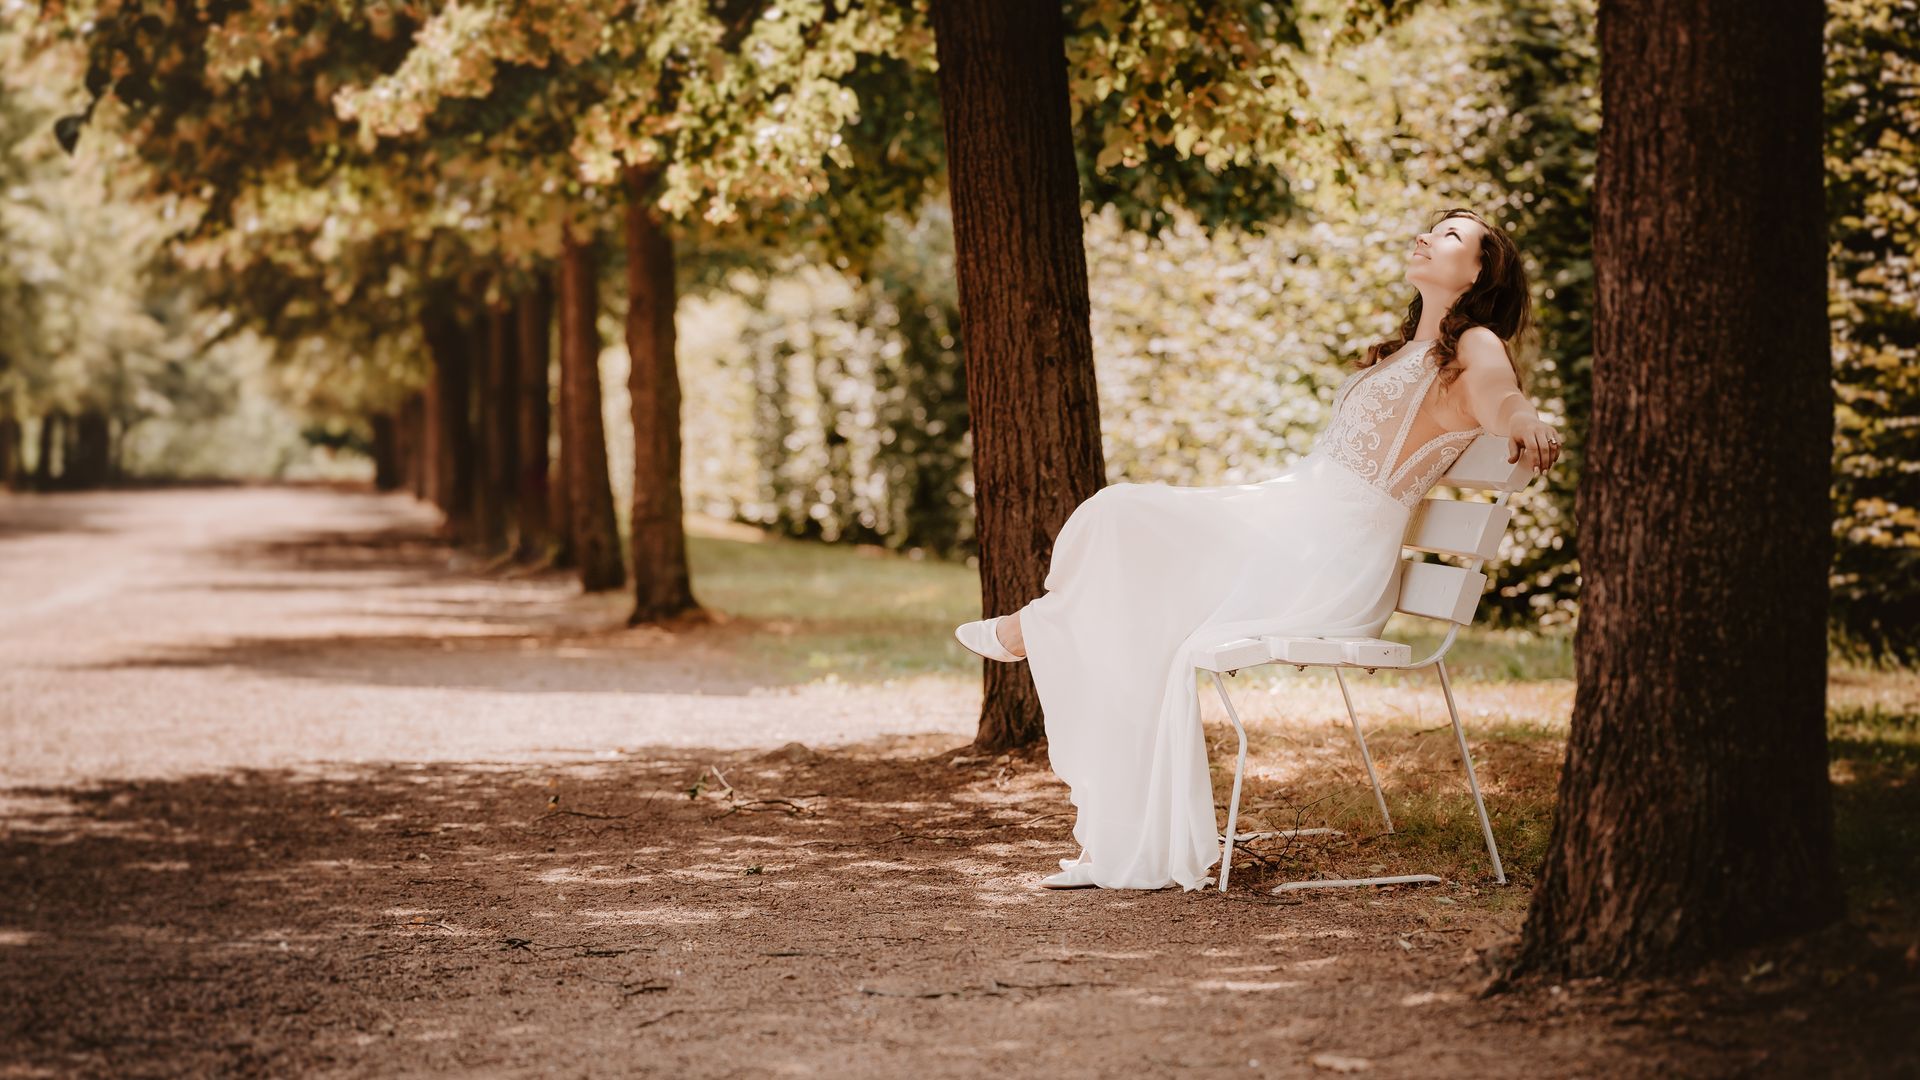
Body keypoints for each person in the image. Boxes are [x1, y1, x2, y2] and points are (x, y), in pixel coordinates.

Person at [953, 208, 1561, 891]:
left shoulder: (1475, 343)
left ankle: (1037, 626)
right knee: (1124, 535)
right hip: (1293, 524)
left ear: (1480, 273)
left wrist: (1525, 421)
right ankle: (1096, 753)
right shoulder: (1399, 352)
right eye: (1431, 228)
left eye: (1450, 236)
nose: (1424, 236)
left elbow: (1502, 397)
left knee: (1124, 515)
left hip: (1326, 559)